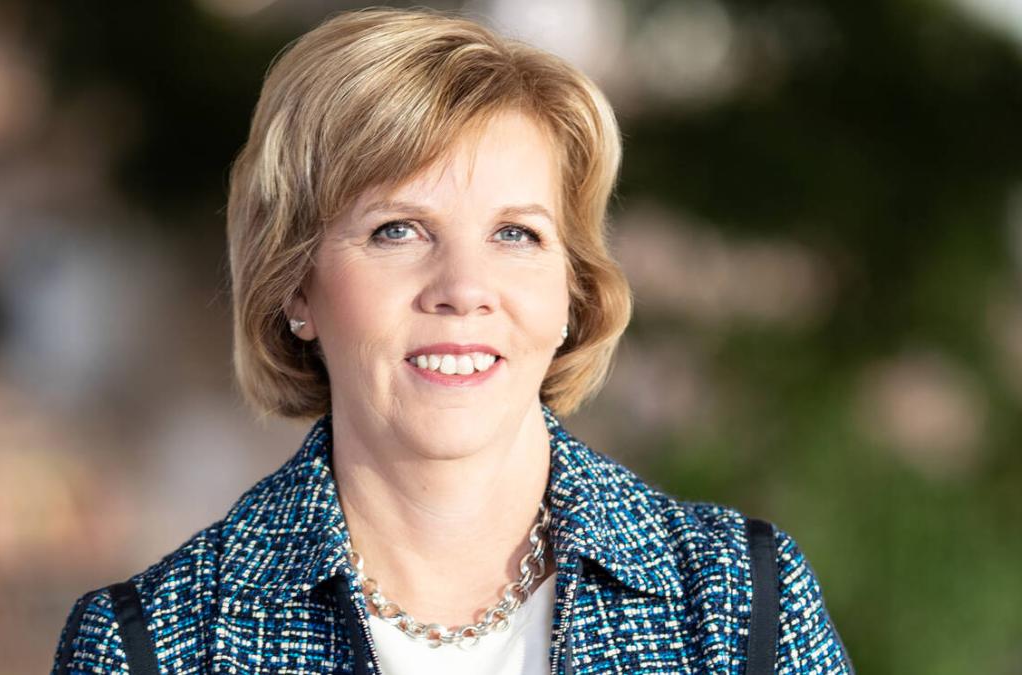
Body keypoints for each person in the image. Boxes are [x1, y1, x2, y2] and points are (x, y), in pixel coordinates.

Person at [51, 7, 852, 674]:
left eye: (516, 233)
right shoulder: (155, 647)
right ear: (296, 286)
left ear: (571, 289)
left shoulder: (740, 601)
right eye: (397, 230)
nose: (464, 288)